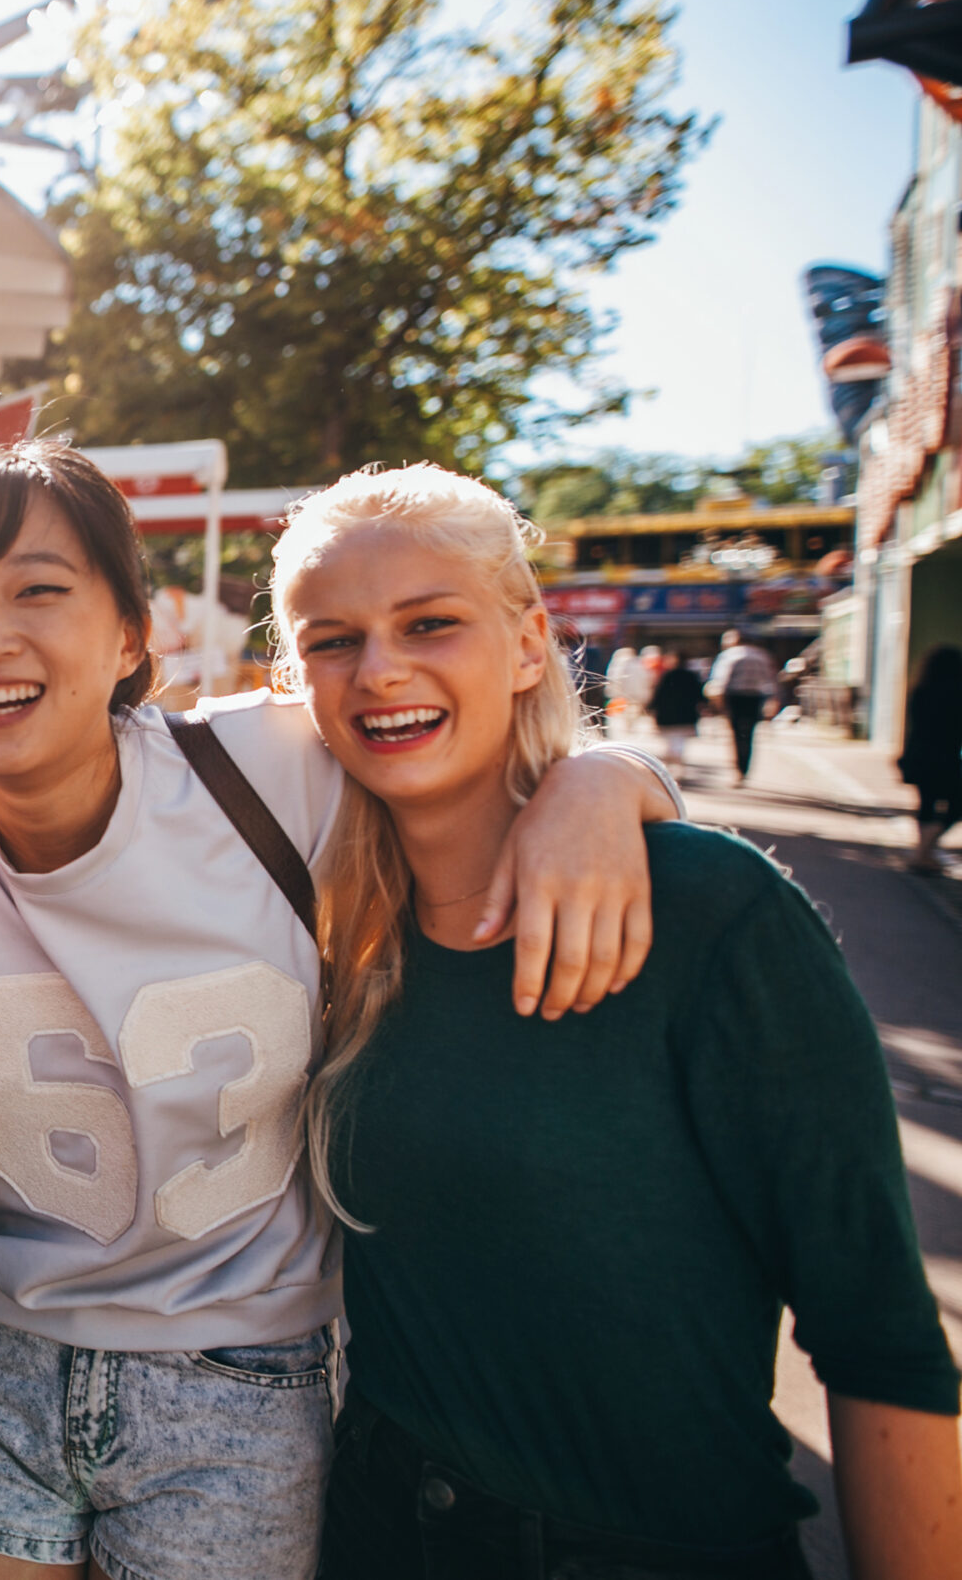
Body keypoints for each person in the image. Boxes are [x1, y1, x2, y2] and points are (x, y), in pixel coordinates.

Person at [0, 441, 679, 1579]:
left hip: (244, 1378)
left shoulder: (270, 768)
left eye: (37, 589)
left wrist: (609, 779)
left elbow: (484, 763)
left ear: (133, 633)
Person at [268, 465, 962, 1580]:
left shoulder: (707, 912)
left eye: (430, 622)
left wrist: (607, 774)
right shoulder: (312, 920)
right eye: (331, 639)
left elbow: (881, 1339)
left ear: (530, 643)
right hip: (372, 1529)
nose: (379, 667)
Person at [903, 645, 962, 874]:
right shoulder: (956, 695)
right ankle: (923, 852)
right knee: (955, 805)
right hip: (945, 757)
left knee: (926, 803)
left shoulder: (920, 691)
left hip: (918, 756)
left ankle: (924, 853)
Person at [707, 627, 781, 784]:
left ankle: (737, 769)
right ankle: (745, 768)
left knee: (734, 734)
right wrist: (772, 701)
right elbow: (771, 681)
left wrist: (717, 704)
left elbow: (720, 682)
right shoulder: (761, 655)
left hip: (734, 698)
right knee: (749, 734)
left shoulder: (729, 656)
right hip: (755, 698)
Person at [649, 644, 704, 778]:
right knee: (679, 742)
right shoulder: (692, 676)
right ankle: (677, 767)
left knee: (670, 742)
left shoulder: (668, 675)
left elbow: (658, 695)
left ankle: (671, 768)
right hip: (686, 714)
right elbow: (699, 696)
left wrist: (652, 708)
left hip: (668, 715)